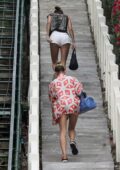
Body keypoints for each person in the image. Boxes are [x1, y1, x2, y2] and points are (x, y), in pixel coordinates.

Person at [48, 63, 83, 162]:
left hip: (61, 106)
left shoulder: (53, 83)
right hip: (73, 104)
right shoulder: (72, 79)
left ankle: (64, 156)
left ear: (55, 72)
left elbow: (52, 97)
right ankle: (72, 141)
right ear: (65, 70)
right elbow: (80, 91)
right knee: (71, 128)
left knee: (62, 131)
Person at [46, 6, 76, 71]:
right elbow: (70, 29)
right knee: (63, 62)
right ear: (62, 13)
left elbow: (48, 23)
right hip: (65, 37)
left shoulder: (50, 15)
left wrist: (47, 35)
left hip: (54, 36)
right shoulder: (67, 16)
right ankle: (62, 79)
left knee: (54, 62)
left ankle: (57, 78)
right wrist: (73, 42)